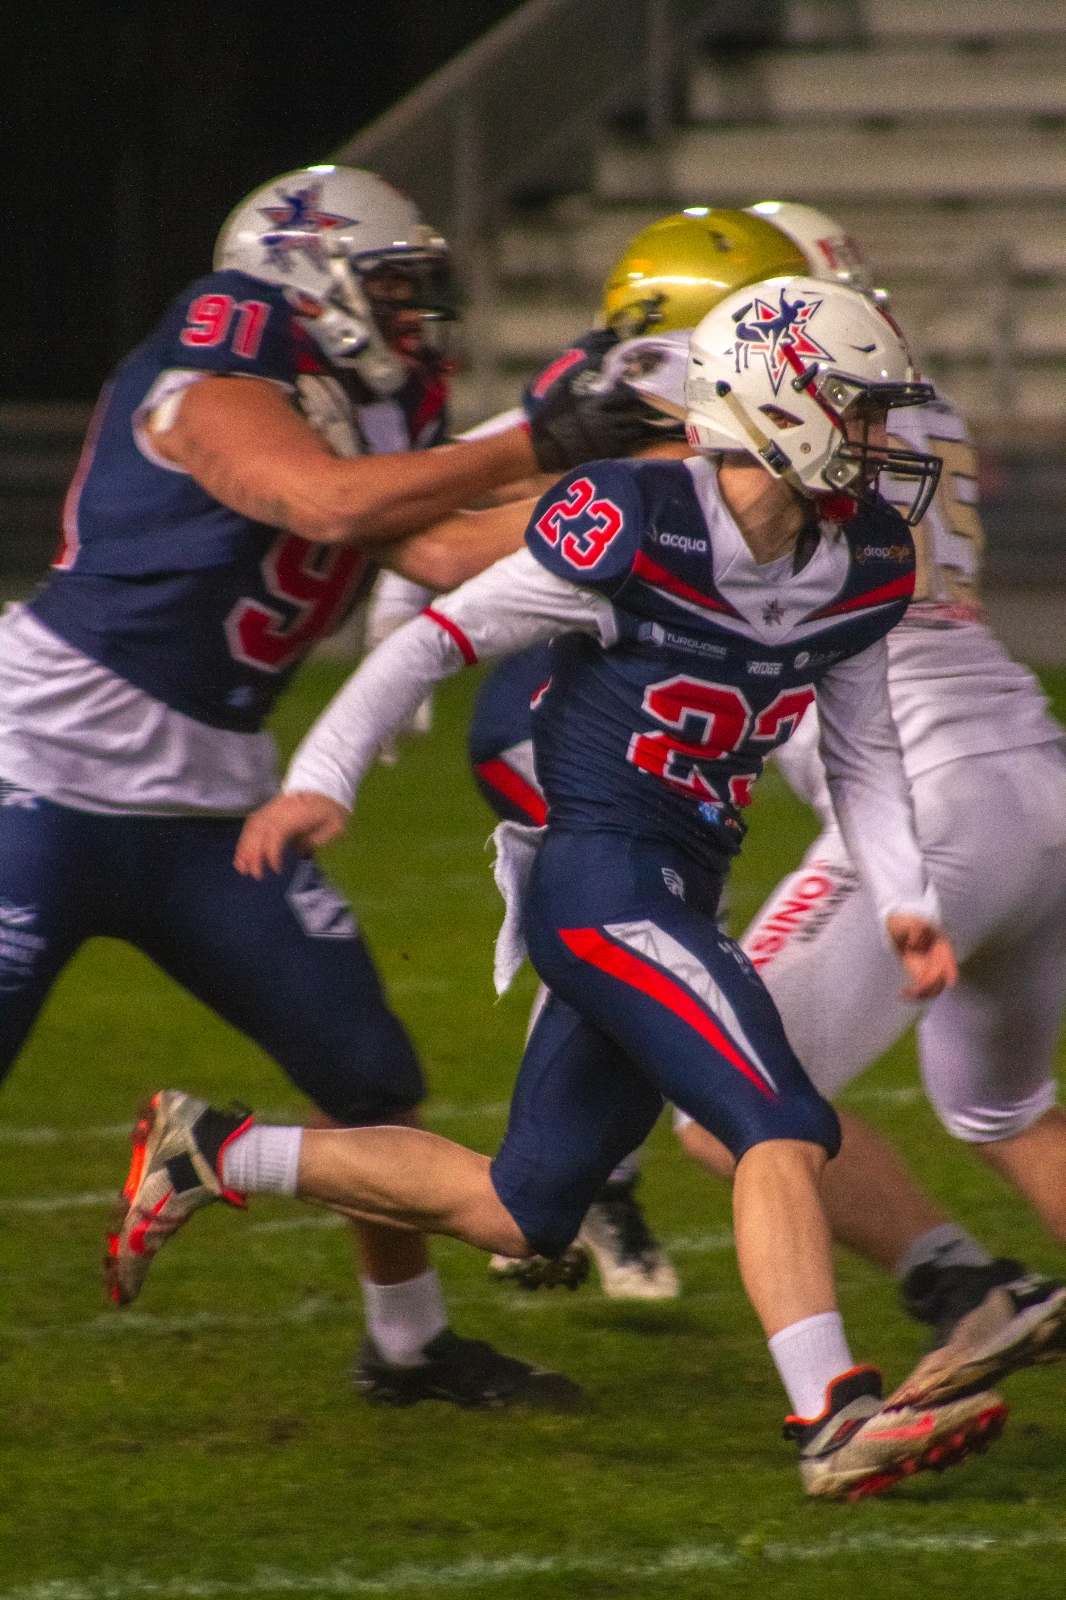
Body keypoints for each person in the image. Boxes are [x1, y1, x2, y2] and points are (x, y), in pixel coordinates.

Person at [109, 278, 1012, 1500]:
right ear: (776, 405)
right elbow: (439, 636)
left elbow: (864, 751)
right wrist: (326, 774)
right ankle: (832, 1414)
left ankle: (216, 1149)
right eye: (855, 407)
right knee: (777, 1118)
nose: (877, 436)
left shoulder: (859, 556)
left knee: (521, 1207)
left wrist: (903, 896)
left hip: (674, 883)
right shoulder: (640, 516)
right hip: (599, 877)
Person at [1, 161, 645, 1412]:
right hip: (37, 768)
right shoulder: (218, 352)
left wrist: (628, 491)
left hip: (212, 801)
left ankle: (406, 1347)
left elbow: (443, 546)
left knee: (365, 1070)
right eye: (392, 286)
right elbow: (317, 502)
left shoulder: (375, 406)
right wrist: (537, 439)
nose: (413, 313)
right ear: (309, 275)